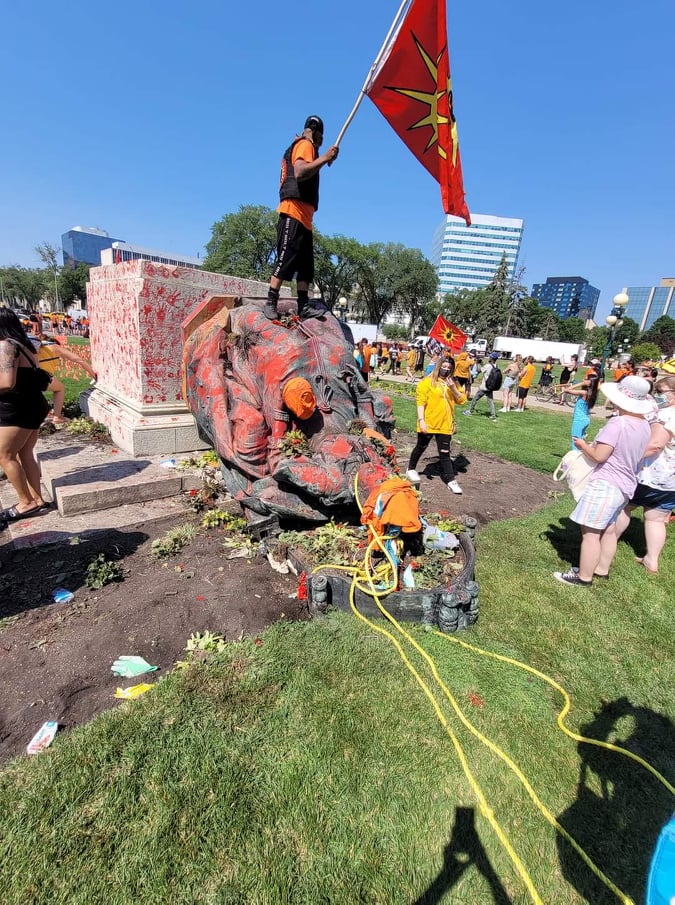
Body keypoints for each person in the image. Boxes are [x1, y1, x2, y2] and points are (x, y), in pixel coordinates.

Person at [553, 376, 653, 586]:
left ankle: (584, 577)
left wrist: (582, 445)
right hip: (626, 484)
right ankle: (601, 568)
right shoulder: (644, 425)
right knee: (608, 529)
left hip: (607, 483)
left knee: (590, 532)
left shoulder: (619, 422)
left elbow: (599, 455)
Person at [265, 115, 339, 321]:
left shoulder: (307, 147)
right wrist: (324, 158)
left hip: (305, 218)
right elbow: (299, 172)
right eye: (321, 138)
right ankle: (271, 300)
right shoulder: (305, 144)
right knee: (285, 258)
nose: (321, 143)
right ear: (314, 131)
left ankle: (304, 304)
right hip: (293, 212)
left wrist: (322, 160)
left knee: (306, 267)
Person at [609, 374, 675, 574]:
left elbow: (654, 444)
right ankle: (651, 560)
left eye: (661, 392)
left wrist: (631, 457)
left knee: (623, 507)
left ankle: (607, 541)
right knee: (656, 518)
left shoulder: (666, 416)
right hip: (670, 481)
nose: (657, 396)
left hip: (651, 475)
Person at [0, 309, 51, 523]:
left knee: (5, 456)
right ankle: (37, 498)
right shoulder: (26, 345)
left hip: (16, 409)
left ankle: (25, 502)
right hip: (33, 405)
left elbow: (6, 382)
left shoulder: (6, 346)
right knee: (25, 453)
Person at [406, 357, 466, 495]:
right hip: (429, 422)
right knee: (421, 446)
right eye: (443, 367)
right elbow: (420, 402)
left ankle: (451, 480)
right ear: (438, 367)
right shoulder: (427, 382)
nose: (446, 370)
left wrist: (453, 388)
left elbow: (462, 401)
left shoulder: (454, 383)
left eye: (449, 368)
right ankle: (411, 469)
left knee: (445, 453)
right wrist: (421, 420)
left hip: (445, 424)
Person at [32, 333, 97, 423]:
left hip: (21, 375)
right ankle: (57, 417)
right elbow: (79, 360)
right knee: (59, 388)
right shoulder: (54, 346)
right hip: (39, 375)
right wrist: (94, 375)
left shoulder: (34, 346)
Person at [564, 371, 600, 449]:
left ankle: (574, 458)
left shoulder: (584, 393)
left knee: (575, 443)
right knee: (580, 442)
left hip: (579, 420)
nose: (583, 379)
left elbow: (566, 390)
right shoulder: (592, 393)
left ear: (589, 383)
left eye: (586, 379)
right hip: (585, 419)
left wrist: (580, 384)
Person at [463, 352, 500, 421]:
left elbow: (478, 370)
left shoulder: (488, 365)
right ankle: (493, 415)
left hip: (484, 387)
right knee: (490, 401)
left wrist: (477, 363)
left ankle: (470, 411)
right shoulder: (495, 365)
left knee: (475, 399)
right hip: (490, 387)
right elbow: (486, 368)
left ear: (491, 358)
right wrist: (482, 363)